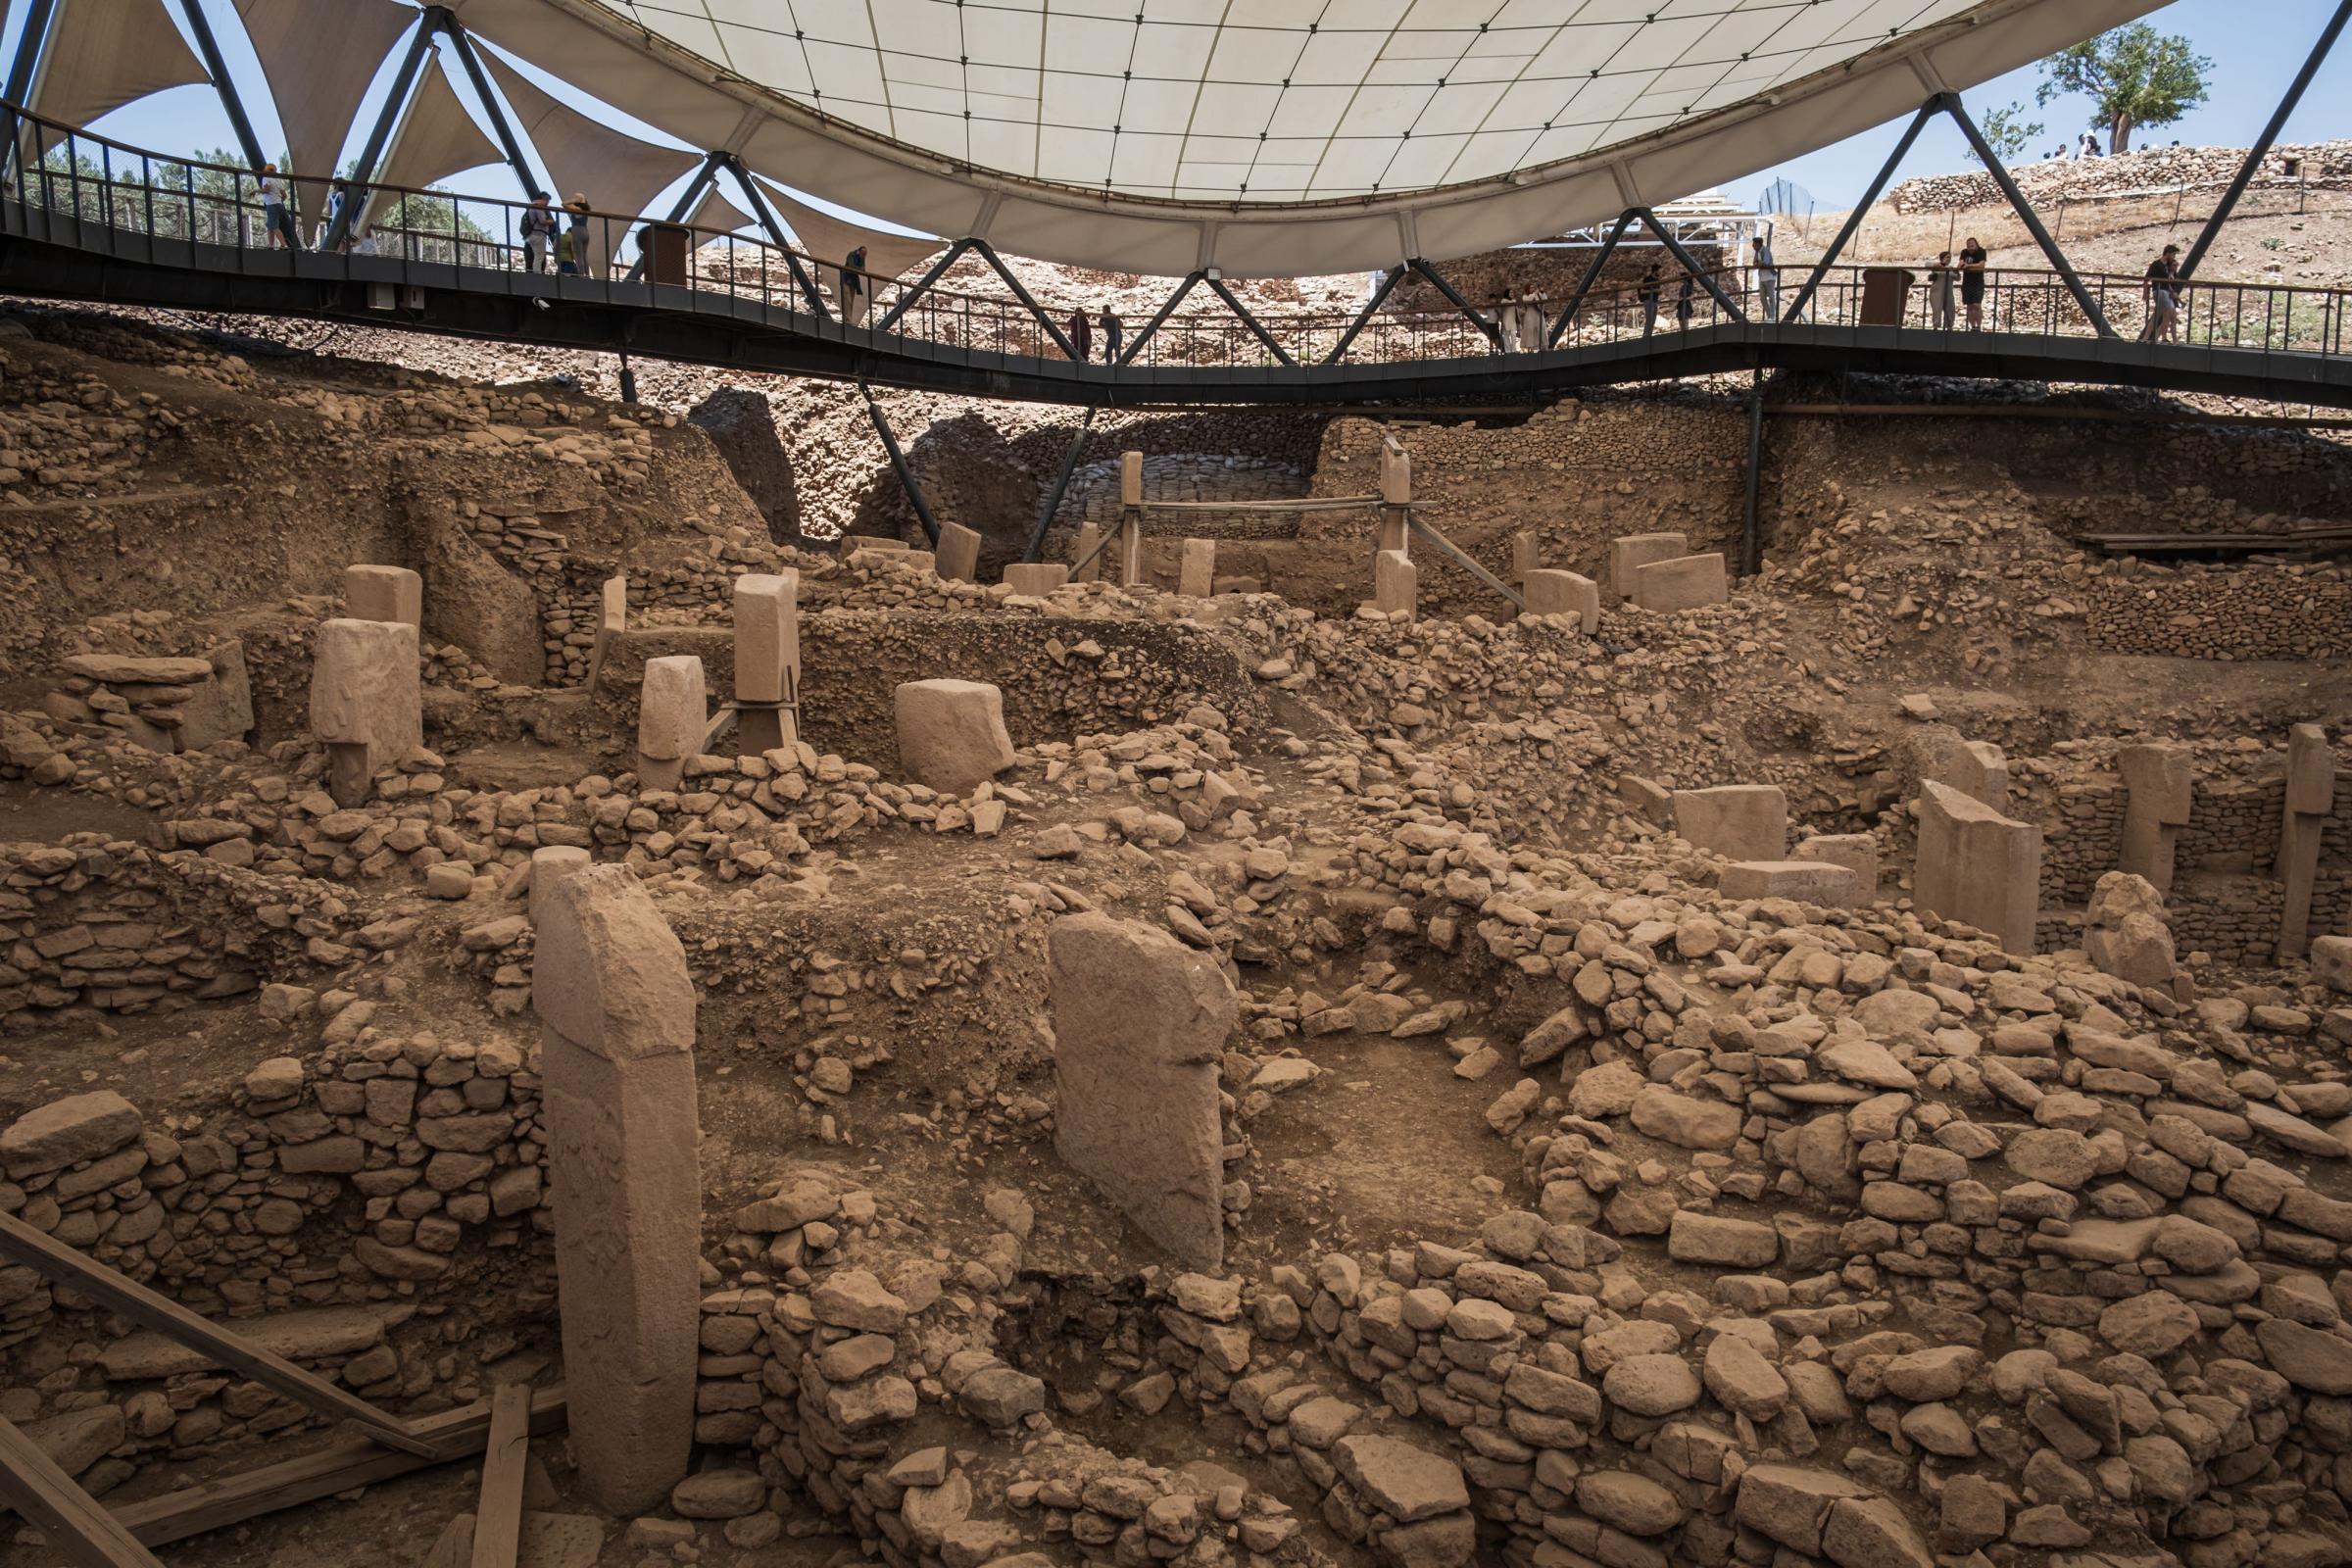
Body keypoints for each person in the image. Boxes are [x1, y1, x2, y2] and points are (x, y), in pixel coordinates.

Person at [2142, 243, 2185, 342]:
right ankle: (2168, 339)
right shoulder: (2157, 264)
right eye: (2173, 254)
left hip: (2165, 292)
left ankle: (2148, 337)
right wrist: (2145, 293)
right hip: (2160, 291)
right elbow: (2146, 279)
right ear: (2168, 253)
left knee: (2160, 316)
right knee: (2171, 315)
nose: (2174, 257)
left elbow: (2169, 282)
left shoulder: (2167, 266)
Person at [258, 163, 298, 250]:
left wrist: (255, 191)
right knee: (270, 225)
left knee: (274, 227)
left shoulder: (266, 178)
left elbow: (266, 190)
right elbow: (285, 195)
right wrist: (279, 201)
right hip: (279, 205)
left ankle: (284, 245)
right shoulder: (278, 180)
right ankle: (271, 245)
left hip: (271, 205)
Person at [520, 191, 556, 272]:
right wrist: (550, 221)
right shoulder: (538, 208)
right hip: (538, 235)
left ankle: (534, 272)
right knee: (539, 256)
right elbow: (542, 221)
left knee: (534, 256)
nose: (547, 204)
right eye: (547, 201)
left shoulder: (531, 207)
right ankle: (537, 274)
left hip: (531, 235)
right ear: (543, 199)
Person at [1958, 235, 1987, 329]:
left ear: (1976, 245)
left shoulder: (1981, 252)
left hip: (1978, 282)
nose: (1970, 248)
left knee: (1977, 304)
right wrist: (1963, 266)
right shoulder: (1964, 252)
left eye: (1972, 246)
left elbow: (1981, 266)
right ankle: (1972, 326)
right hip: (1967, 282)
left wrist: (1968, 266)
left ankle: (1978, 326)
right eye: (1968, 246)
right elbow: (1960, 264)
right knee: (1969, 305)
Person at [564, 194, 592, 277]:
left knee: (578, 255)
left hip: (577, 231)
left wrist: (574, 200)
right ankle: (587, 275)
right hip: (585, 231)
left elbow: (564, 204)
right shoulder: (586, 209)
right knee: (584, 255)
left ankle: (581, 275)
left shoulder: (577, 209)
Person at [1928, 250, 1956, 329]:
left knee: (1950, 309)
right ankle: (1936, 326)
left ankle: (1949, 326)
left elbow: (1957, 277)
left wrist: (1953, 270)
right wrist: (1940, 265)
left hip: (1948, 292)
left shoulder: (1951, 269)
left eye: (1950, 257)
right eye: (1947, 257)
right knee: (1937, 309)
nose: (1949, 259)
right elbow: (1927, 264)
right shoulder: (1937, 267)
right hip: (1937, 292)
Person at [1754, 234, 1780, 319]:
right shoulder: (1757, 252)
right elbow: (1754, 263)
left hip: (1769, 277)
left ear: (1758, 244)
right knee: (1762, 298)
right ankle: (1769, 315)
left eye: (1754, 244)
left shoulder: (1765, 251)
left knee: (1771, 297)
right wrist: (1758, 263)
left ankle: (1772, 316)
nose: (1753, 246)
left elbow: (1765, 263)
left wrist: (1759, 263)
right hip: (1762, 278)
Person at [1639, 262, 1662, 336]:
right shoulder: (1647, 279)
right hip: (1648, 300)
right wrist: (1654, 290)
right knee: (1649, 319)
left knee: (1653, 319)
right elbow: (1642, 291)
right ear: (1655, 271)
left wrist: (1658, 291)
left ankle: (1650, 334)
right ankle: (1646, 335)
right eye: (1659, 270)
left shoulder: (1657, 280)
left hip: (1655, 301)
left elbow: (1659, 291)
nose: (1660, 272)